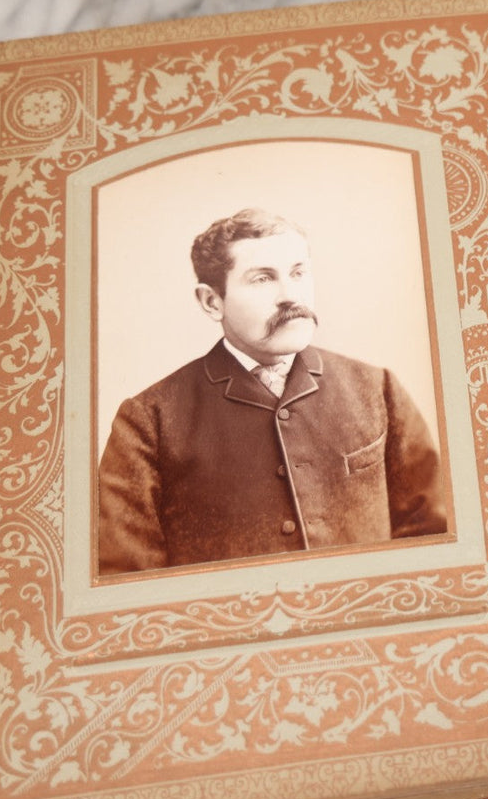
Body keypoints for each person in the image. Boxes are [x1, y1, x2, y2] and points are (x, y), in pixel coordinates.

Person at [97, 208, 446, 575]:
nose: (289, 295)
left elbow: (432, 537)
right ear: (211, 301)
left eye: (298, 273)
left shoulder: (378, 389)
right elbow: (127, 578)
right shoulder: (148, 421)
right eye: (263, 279)